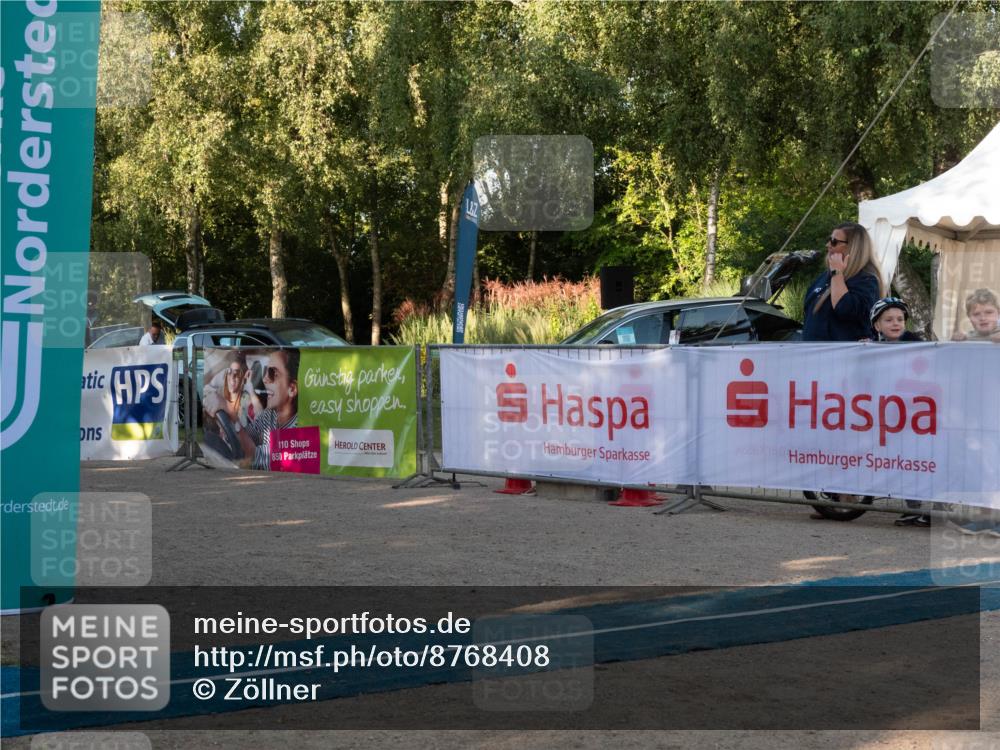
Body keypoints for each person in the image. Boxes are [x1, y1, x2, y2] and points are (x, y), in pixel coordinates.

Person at [866, 298, 931, 527]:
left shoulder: (916, 343)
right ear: (877, 325)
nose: (895, 323)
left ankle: (933, 508)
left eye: (900, 319)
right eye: (889, 320)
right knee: (904, 461)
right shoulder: (872, 346)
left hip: (919, 414)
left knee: (923, 460)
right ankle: (912, 508)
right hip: (892, 415)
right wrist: (860, 350)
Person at [803, 223, 885, 342]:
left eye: (834, 241)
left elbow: (845, 309)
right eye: (829, 240)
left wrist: (837, 273)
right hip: (814, 353)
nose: (828, 245)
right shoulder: (824, 277)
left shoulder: (867, 280)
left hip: (843, 356)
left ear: (852, 247)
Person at [238, 348, 299, 471]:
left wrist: (227, 410)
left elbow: (256, 456)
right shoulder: (270, 414)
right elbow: (249, 434)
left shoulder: (299, 426)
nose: (265, 379)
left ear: (292, 389)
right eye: (265, 371)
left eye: (272, 373)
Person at [202, 352, 251, 460]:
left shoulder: (248, 403)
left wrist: (229, 411)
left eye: (237, 374)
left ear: (244, 377)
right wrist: (224, 362)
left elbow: (249, 441)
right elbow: (202, 383)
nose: (232, 377)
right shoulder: (219, 395)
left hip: (238, 455)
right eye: (229, 372)